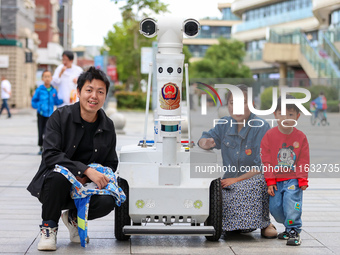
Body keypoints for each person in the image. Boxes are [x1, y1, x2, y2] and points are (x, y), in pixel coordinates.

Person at [27, 67, 118, 251]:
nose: (94, 96)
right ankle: (49, 227)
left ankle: (73, 218)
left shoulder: (107, 125)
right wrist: (83, 170)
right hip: (54, 186)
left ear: (105, 95)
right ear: (78, 92)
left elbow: (111, 162)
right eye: (89, 90)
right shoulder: (60, 117)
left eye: (100, 92)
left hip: (86, 186)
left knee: (109, 199)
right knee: (59, 177)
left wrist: (91, 175)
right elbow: (50, 154)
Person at [198, 84, 277, 238]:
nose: (237, 107)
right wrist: (205, 143)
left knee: (251, 187)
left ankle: (264, 223)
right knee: (214, 191)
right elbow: (204, 137)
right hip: (230, 180)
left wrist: (237, 179)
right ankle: (231, 226)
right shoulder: (224, 125)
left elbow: (262, 166)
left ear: (253, 105)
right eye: (233, 103)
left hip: (253, 178)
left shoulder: (262, 127)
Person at [261, 95, 309, 246]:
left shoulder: (300, 137)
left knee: (291, 203)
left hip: (293, 179)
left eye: (291, 114)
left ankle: (294, 229)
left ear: (297, 116)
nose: (286, 118)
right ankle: (288, 226)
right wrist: (270, 180)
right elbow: (266, 160)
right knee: (275, 208)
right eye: (282, 114)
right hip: (275, 181)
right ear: (275, 114)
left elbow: (303, 160)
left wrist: (302, 179)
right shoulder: (269, 135)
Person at [31, 70, 63, 155]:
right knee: (41, 131)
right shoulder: (39, 90)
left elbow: (56, 101)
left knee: (48, 131)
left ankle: (47, 147)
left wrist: (64, 100)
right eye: (45, 77)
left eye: (49, 76)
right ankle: (41, 146)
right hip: (41, 114)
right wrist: (39, 106)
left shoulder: (53, 90)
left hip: (50, 114)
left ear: (51, 78)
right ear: (42, 78)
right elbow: (33, 101)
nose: (47, 79)